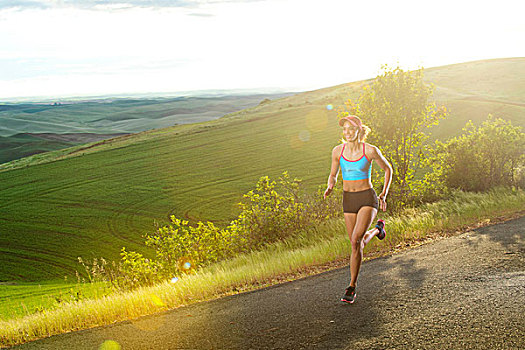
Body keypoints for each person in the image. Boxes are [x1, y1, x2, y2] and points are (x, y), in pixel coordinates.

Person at [323, 115, 392, 304]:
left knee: (355, 240)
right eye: (344, 129)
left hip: (367, 198)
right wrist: (330, 185)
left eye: (351, 129)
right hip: (348, 199)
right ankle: (378, 230)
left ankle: (351, 286)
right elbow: (333, 174)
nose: (347, 133)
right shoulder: (337, 151)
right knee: (356, 244)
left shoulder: (370, 150)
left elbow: (388, 169)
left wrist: (383, 194)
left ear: (359, 130)